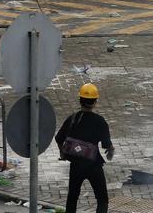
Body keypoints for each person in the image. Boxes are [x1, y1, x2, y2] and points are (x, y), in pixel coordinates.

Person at [56, 84, 114, 213]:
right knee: (102, 199)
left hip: (76, 165)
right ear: (95, 102)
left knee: (72, 197)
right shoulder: (99, 121)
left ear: (80, 100)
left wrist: (63, 153)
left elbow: (59, 138)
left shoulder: (73, 118)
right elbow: (106, 144)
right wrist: (111, 150)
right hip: (93, 165)